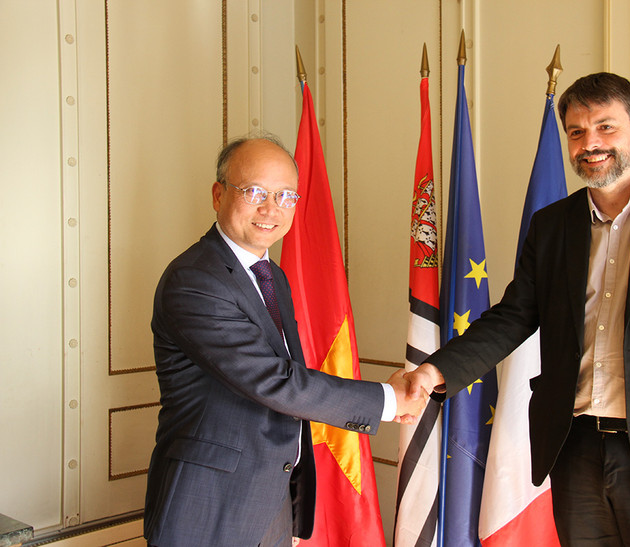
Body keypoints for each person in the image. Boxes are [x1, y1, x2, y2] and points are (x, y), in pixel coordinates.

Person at [407, 72, 630, 546]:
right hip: (575, 452)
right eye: (576, 132)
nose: (590, 143)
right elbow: (512, 317)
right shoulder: (551, 225)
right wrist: (435, 371)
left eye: (605, 127)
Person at [144, 135, 424, 547]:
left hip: (268, 504)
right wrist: (388, 401)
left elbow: (290, 382)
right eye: (254, 192)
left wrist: (290, 512)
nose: (271, 209)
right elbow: (274, 381)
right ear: (218, 194)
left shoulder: (271, 276)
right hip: (208, 509)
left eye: (285, 196)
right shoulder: (195, 279)